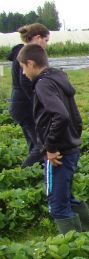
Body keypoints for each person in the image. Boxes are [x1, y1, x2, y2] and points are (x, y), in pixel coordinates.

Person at [17, 43, 89, 234]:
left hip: (58, 153)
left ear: (31, 63)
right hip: (70, 147)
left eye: (23, 67)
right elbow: (73, 116)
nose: (24, 73)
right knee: (65, 196)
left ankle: (74, 247)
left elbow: (61, 115)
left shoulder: (43, 84)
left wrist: (50, 147)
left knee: (57, 204)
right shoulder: (58, 78)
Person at [6, 23, 50, 168]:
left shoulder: (22, 51)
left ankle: (36, 173)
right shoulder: (26, 54)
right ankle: (21, 174)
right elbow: (25, 83)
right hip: (25, 106)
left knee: (34, 143)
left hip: (19, 105)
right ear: (38, 37)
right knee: (41, 146)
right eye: (46, 40)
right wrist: (39, 103)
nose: (46, 45)